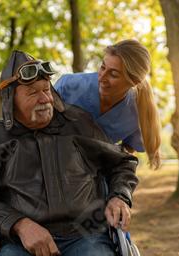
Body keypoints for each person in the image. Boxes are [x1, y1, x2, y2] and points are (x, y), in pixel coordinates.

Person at [0, 50, 139, 256]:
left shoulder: (77, 122)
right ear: (11, 99)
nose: (45, 99)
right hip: (21, 248)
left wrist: (120, 196)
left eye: (46, 89)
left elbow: (122, 162)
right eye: (32, 93)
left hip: (85, 237)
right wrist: (20, 225)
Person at [55, 39, 162, 169]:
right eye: (103, 67)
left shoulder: (138, 110)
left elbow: (127, 150)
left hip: (94, 176)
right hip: (53, 164)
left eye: (113, 74)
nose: (102, 77)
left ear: (134, 81)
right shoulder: (68, 85)